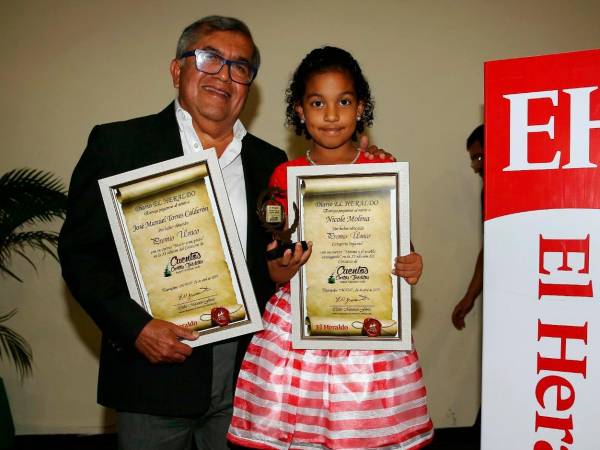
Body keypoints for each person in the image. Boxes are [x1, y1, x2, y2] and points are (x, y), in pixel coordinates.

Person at [58, 17, 390, 450]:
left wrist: (368, 174)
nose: (224, 75)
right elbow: (81, 254)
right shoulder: (119, 146)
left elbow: (298, 257)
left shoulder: (271, 165)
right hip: (152, 376)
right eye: (209, 59)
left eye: (240, 67)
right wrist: (135, 328)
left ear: (248, 86)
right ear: (178, 70)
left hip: (249, 380)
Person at [227, 46, 434, 450]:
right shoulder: (285, 175)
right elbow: (275, 269)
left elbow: (399, 246)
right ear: (300, 111)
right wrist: (286, 266)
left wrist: (411, 263)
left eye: (344, 101)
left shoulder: (381, 168)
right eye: (318, 102)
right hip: (298, 328)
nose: (332, 114)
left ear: (361, 108)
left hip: (366, 327)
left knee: (362, 433)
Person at [451, 124, 484, 330]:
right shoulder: (488, 194)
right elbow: (492, 248)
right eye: (473, 160)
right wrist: (469, 297)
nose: (475, 166)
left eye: (479, 157)